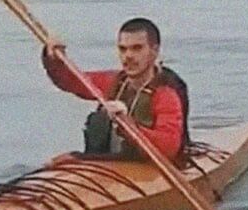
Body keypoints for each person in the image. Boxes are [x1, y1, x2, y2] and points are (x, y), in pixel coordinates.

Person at [43, 16, 191, 160]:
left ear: (154, 51)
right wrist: (54, 60)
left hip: (150, 167)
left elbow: (168, 147)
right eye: (123, 49)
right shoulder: (115, 82)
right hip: (114, 164)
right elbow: (70, 81)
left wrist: (127, 124)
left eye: (137, 48)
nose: (128, 56)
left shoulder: (166, 94)